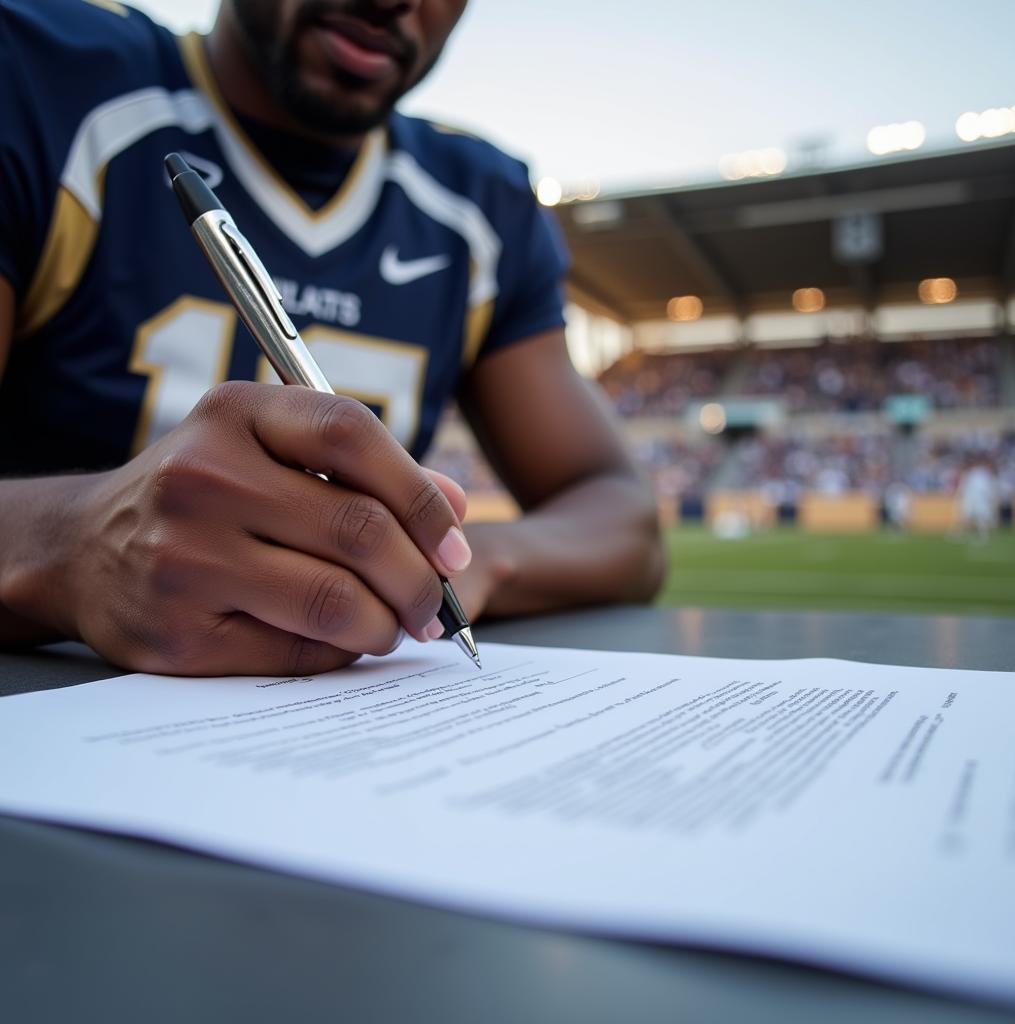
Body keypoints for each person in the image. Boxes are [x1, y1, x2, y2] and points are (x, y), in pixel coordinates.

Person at [0, 0, 663, 675]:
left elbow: (624, 521)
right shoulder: (42, 73)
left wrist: (451, 561)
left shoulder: (480, 200)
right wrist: (68, 545)